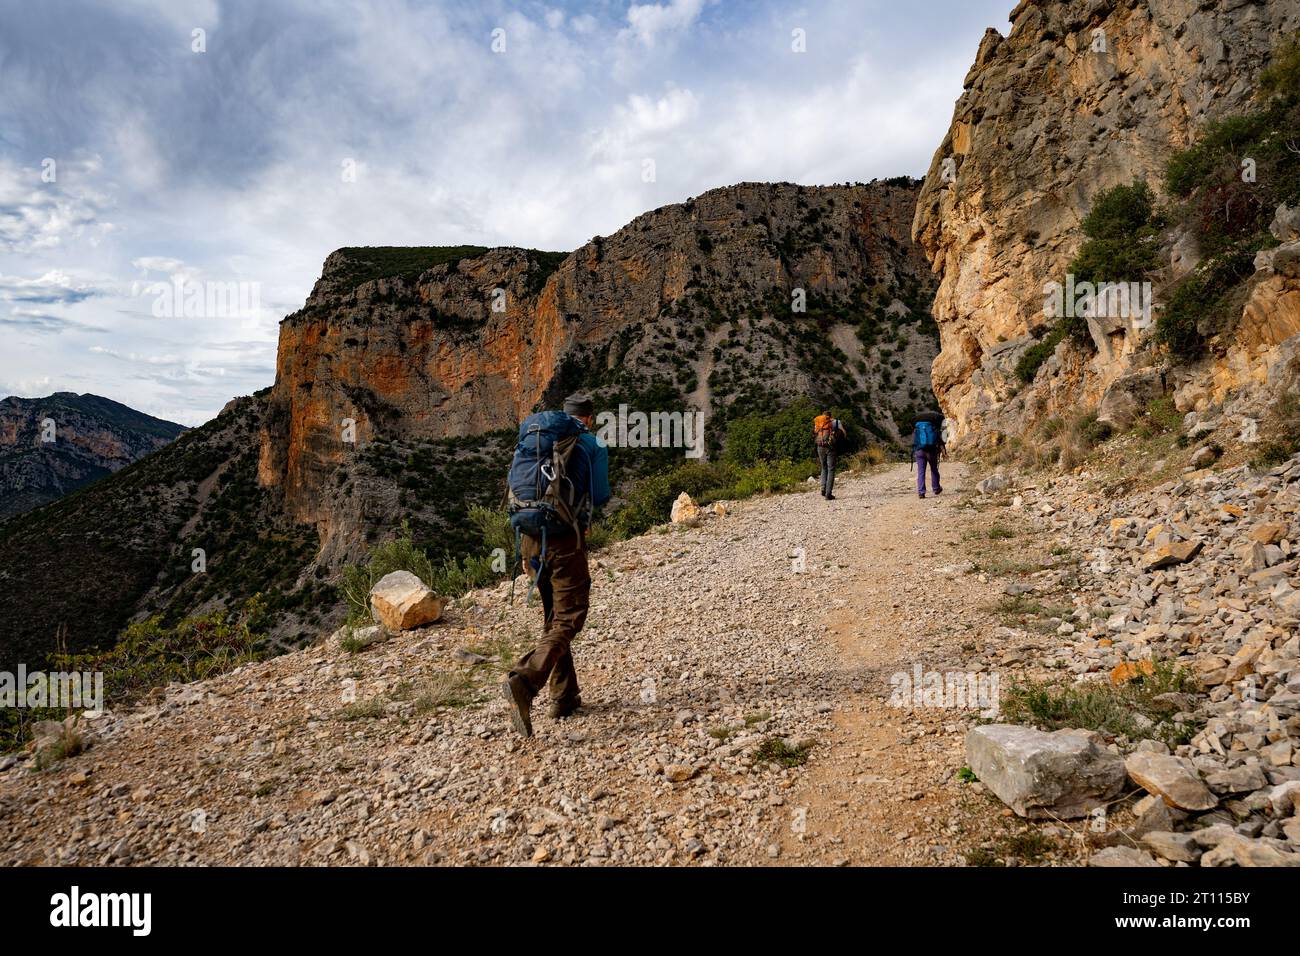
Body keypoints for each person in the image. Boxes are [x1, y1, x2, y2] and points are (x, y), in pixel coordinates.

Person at [502, 392, 610, 737]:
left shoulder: (534, 441)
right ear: (589, 419)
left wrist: (523, 549)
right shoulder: (590, 443)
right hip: (566, 538)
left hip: (531, 538)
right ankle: (526, 680)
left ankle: (564, 696)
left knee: (553, 616)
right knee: (569, 616)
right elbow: (602, 493)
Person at [812, 411, 848, 500]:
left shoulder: (819, 422)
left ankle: (823, 489)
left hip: (820, 447)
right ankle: (828, 494)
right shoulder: (836, 422)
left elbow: (815, 433)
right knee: (831, 469)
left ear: (823, 415)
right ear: (831, 416)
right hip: (831, 447)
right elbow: (844, 432)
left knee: (823, 467)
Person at [912, 410, 946, 499]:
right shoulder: (934, 427)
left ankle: (921, 492)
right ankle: (936, 488)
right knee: (934, 469)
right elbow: (940, 439)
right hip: (931, 451)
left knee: (921, 471)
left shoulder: (917, 427)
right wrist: (943, 451)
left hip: (919, 450)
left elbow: (914, 440)